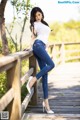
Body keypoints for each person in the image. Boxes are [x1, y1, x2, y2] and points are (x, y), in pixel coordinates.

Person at [27, 7, 55, 114]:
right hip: (37, 45)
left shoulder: (45, 24)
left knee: (45, 75)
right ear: (33, 17)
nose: (38, 17)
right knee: (52, 64)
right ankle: (33, 80)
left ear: (42, 14)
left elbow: (45, 37)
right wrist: (29, 46)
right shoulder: (35, 24)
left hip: (42, 47)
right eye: (35, 16)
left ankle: (46, 104)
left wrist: (46, 45)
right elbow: (33, 36)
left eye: (39, 14)